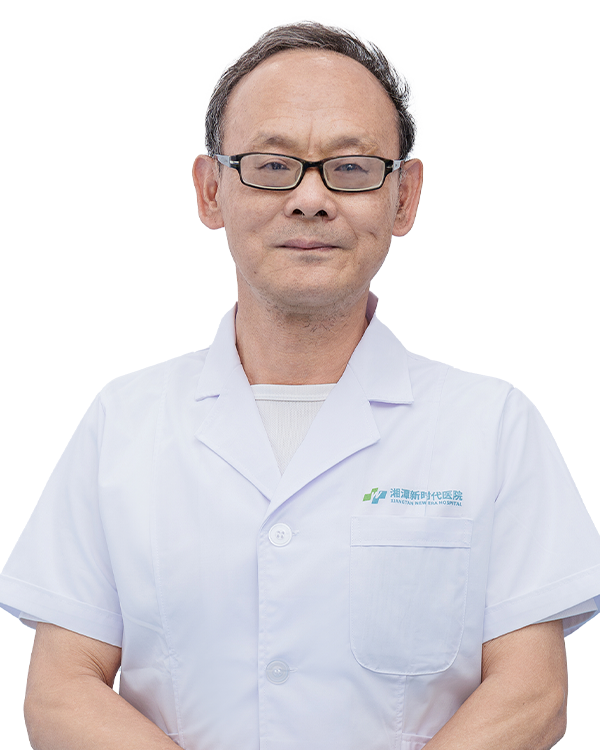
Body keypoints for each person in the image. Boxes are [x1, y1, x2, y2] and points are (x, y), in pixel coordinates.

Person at [1, 19, 600, 750]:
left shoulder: (492, 427)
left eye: (351, 167)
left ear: (404, 197)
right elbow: (61, 692)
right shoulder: (123, 426)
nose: (311, 198)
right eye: (272, 164)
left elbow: (532, 695)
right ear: (210, 191)